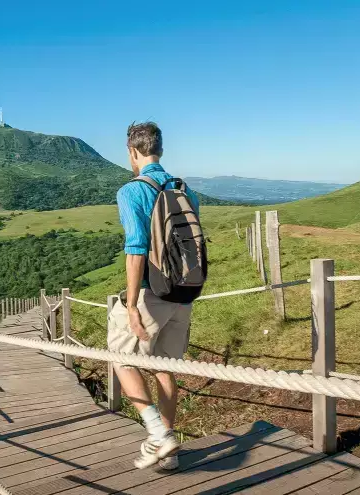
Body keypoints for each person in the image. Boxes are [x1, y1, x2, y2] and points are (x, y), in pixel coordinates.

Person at [108, 122, 200, 470]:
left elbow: (136, 250)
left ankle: (159, 434)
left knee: (121, 358)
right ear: (159, 149)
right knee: (164, 368)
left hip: (152, 293)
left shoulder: (132, 191)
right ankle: (169, 454)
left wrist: (131, 306)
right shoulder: (184, 188)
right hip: (184, 293)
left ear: (132, 151)